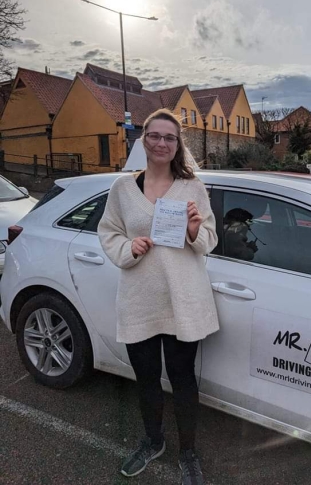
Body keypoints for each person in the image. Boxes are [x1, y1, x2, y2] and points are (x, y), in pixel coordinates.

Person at [98, 109, 219, 484]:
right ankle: (153, 442)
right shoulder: (122, 189)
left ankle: (188, 452)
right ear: (143, 139)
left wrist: (195, 230)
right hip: (140, 300)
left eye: (170, 137)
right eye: (155, 136)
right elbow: (108, 232)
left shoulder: (193, 187)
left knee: (183, 379)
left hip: (183, 300)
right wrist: (128, 247)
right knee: (147, 378)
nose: (162, 143)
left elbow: (209, 241)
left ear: (177, 143)